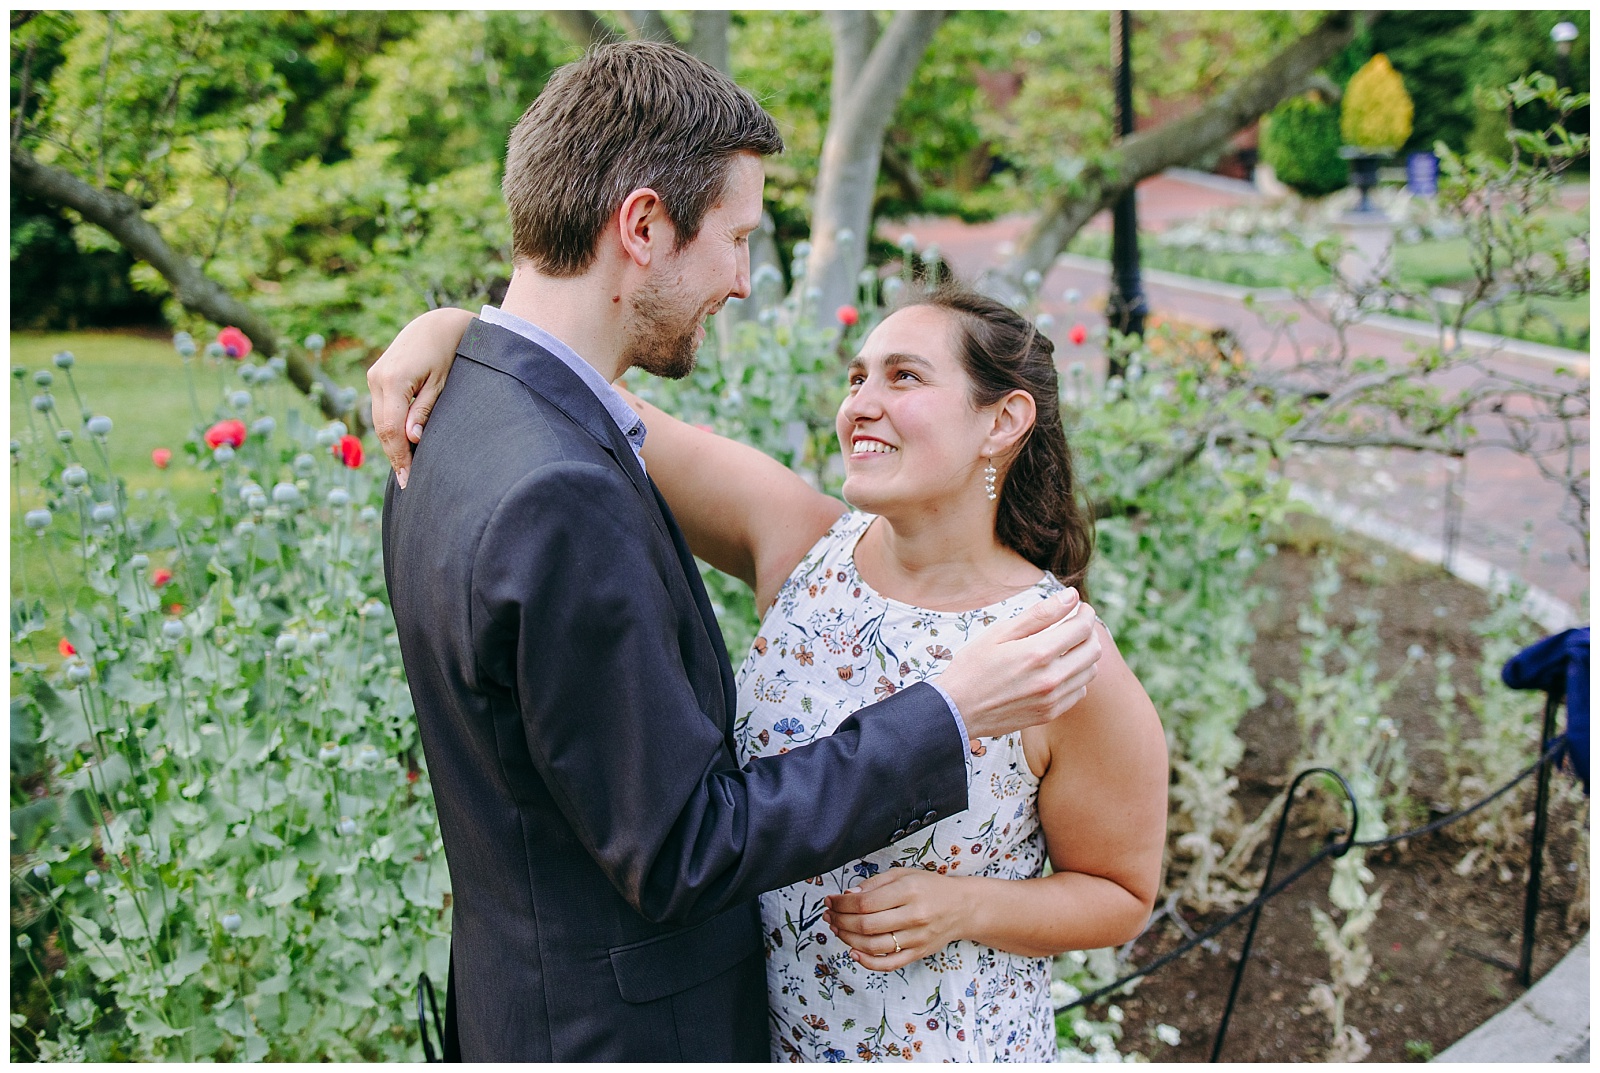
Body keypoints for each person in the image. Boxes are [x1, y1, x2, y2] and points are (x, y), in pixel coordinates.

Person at [373, 43, 1105, 1062]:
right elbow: (680, 849)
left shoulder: (455, 413)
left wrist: (454, 323)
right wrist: (947, 714)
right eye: (735, 239)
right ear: (642, 224)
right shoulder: (560, 494)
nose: (742, 280)